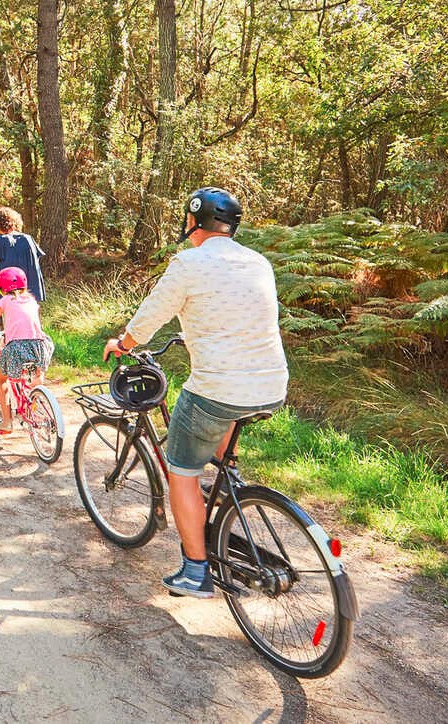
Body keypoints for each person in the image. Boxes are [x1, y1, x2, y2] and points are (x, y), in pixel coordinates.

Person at [103, 187, 288, 598]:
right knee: (219, 433)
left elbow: (149, 316)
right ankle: (226, 485)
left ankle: (195, 571)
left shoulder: (189, 262)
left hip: (219, 389)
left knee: (181, 472)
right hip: (271, 385)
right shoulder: (257, 261)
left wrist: (123, 344)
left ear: (193, 221)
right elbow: (244, 312)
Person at [0, 267, 54, 434]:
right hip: (39, 345)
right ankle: (36, 396)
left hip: (16, 348)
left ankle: (7, 422)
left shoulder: (5, 301)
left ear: (1, 289)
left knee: (0, 379)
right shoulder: (31, 300)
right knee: (32, 378)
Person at [0, 207, 47, 303]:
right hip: (30, 288)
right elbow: (34, 261)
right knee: (31, 312)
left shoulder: (0, 240)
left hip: (9, 287)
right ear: (15, 222)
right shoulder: (28, 238)